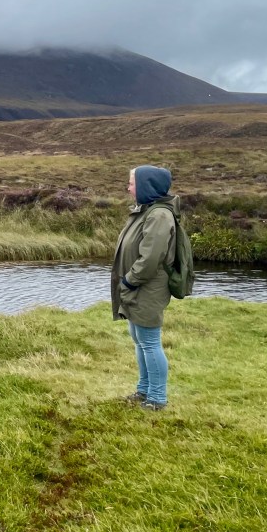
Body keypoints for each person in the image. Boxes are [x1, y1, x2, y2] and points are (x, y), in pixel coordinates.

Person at [111, 165, 178, 411]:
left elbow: (151, 258)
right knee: (140, 340)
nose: (128, 188)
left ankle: (157, 399)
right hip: (137, 287)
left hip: (146, 288)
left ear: (146, 185)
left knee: (149, 342)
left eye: (131, 183)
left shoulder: (159, 216)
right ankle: (143, 391)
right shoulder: (146, 211)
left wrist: (129, 280)